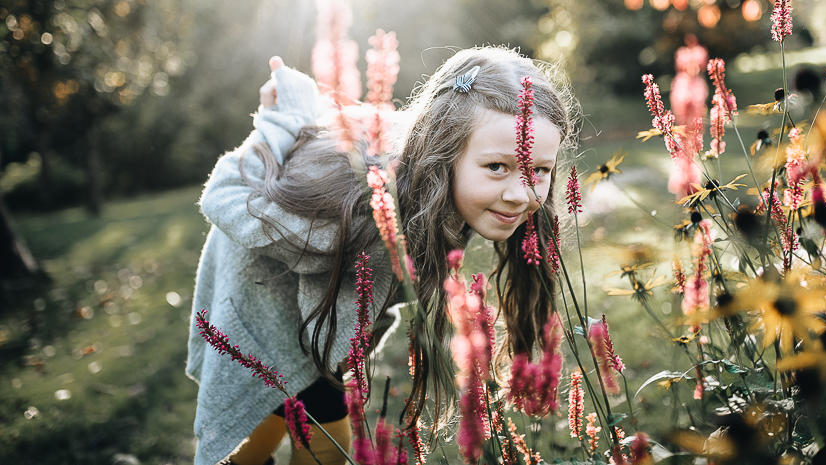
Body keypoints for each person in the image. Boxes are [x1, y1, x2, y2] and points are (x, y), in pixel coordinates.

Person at [186, 46, 575, 465]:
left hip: (317, 315)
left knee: (312, 434)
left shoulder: (443, 161)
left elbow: (352, 120)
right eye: (497, 166)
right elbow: (225, 197)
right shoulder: (359, 209)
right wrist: (279, 126)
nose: (522, 193)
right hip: (260, 304)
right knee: (275, 438)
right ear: (441, 153)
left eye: (538, 170)